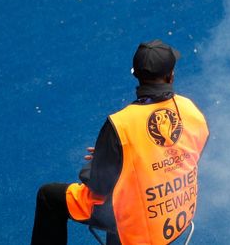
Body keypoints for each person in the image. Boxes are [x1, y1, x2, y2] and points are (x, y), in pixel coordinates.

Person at [31, 39, 209, 245]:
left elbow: (99, 186)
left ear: (136, 75)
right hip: (179, 208)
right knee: (125, 192)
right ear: (171, 75)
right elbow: (187, 153)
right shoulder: (190, 110)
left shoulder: (120, 124)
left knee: (48, 197)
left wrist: (104, 160)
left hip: (136, 223)